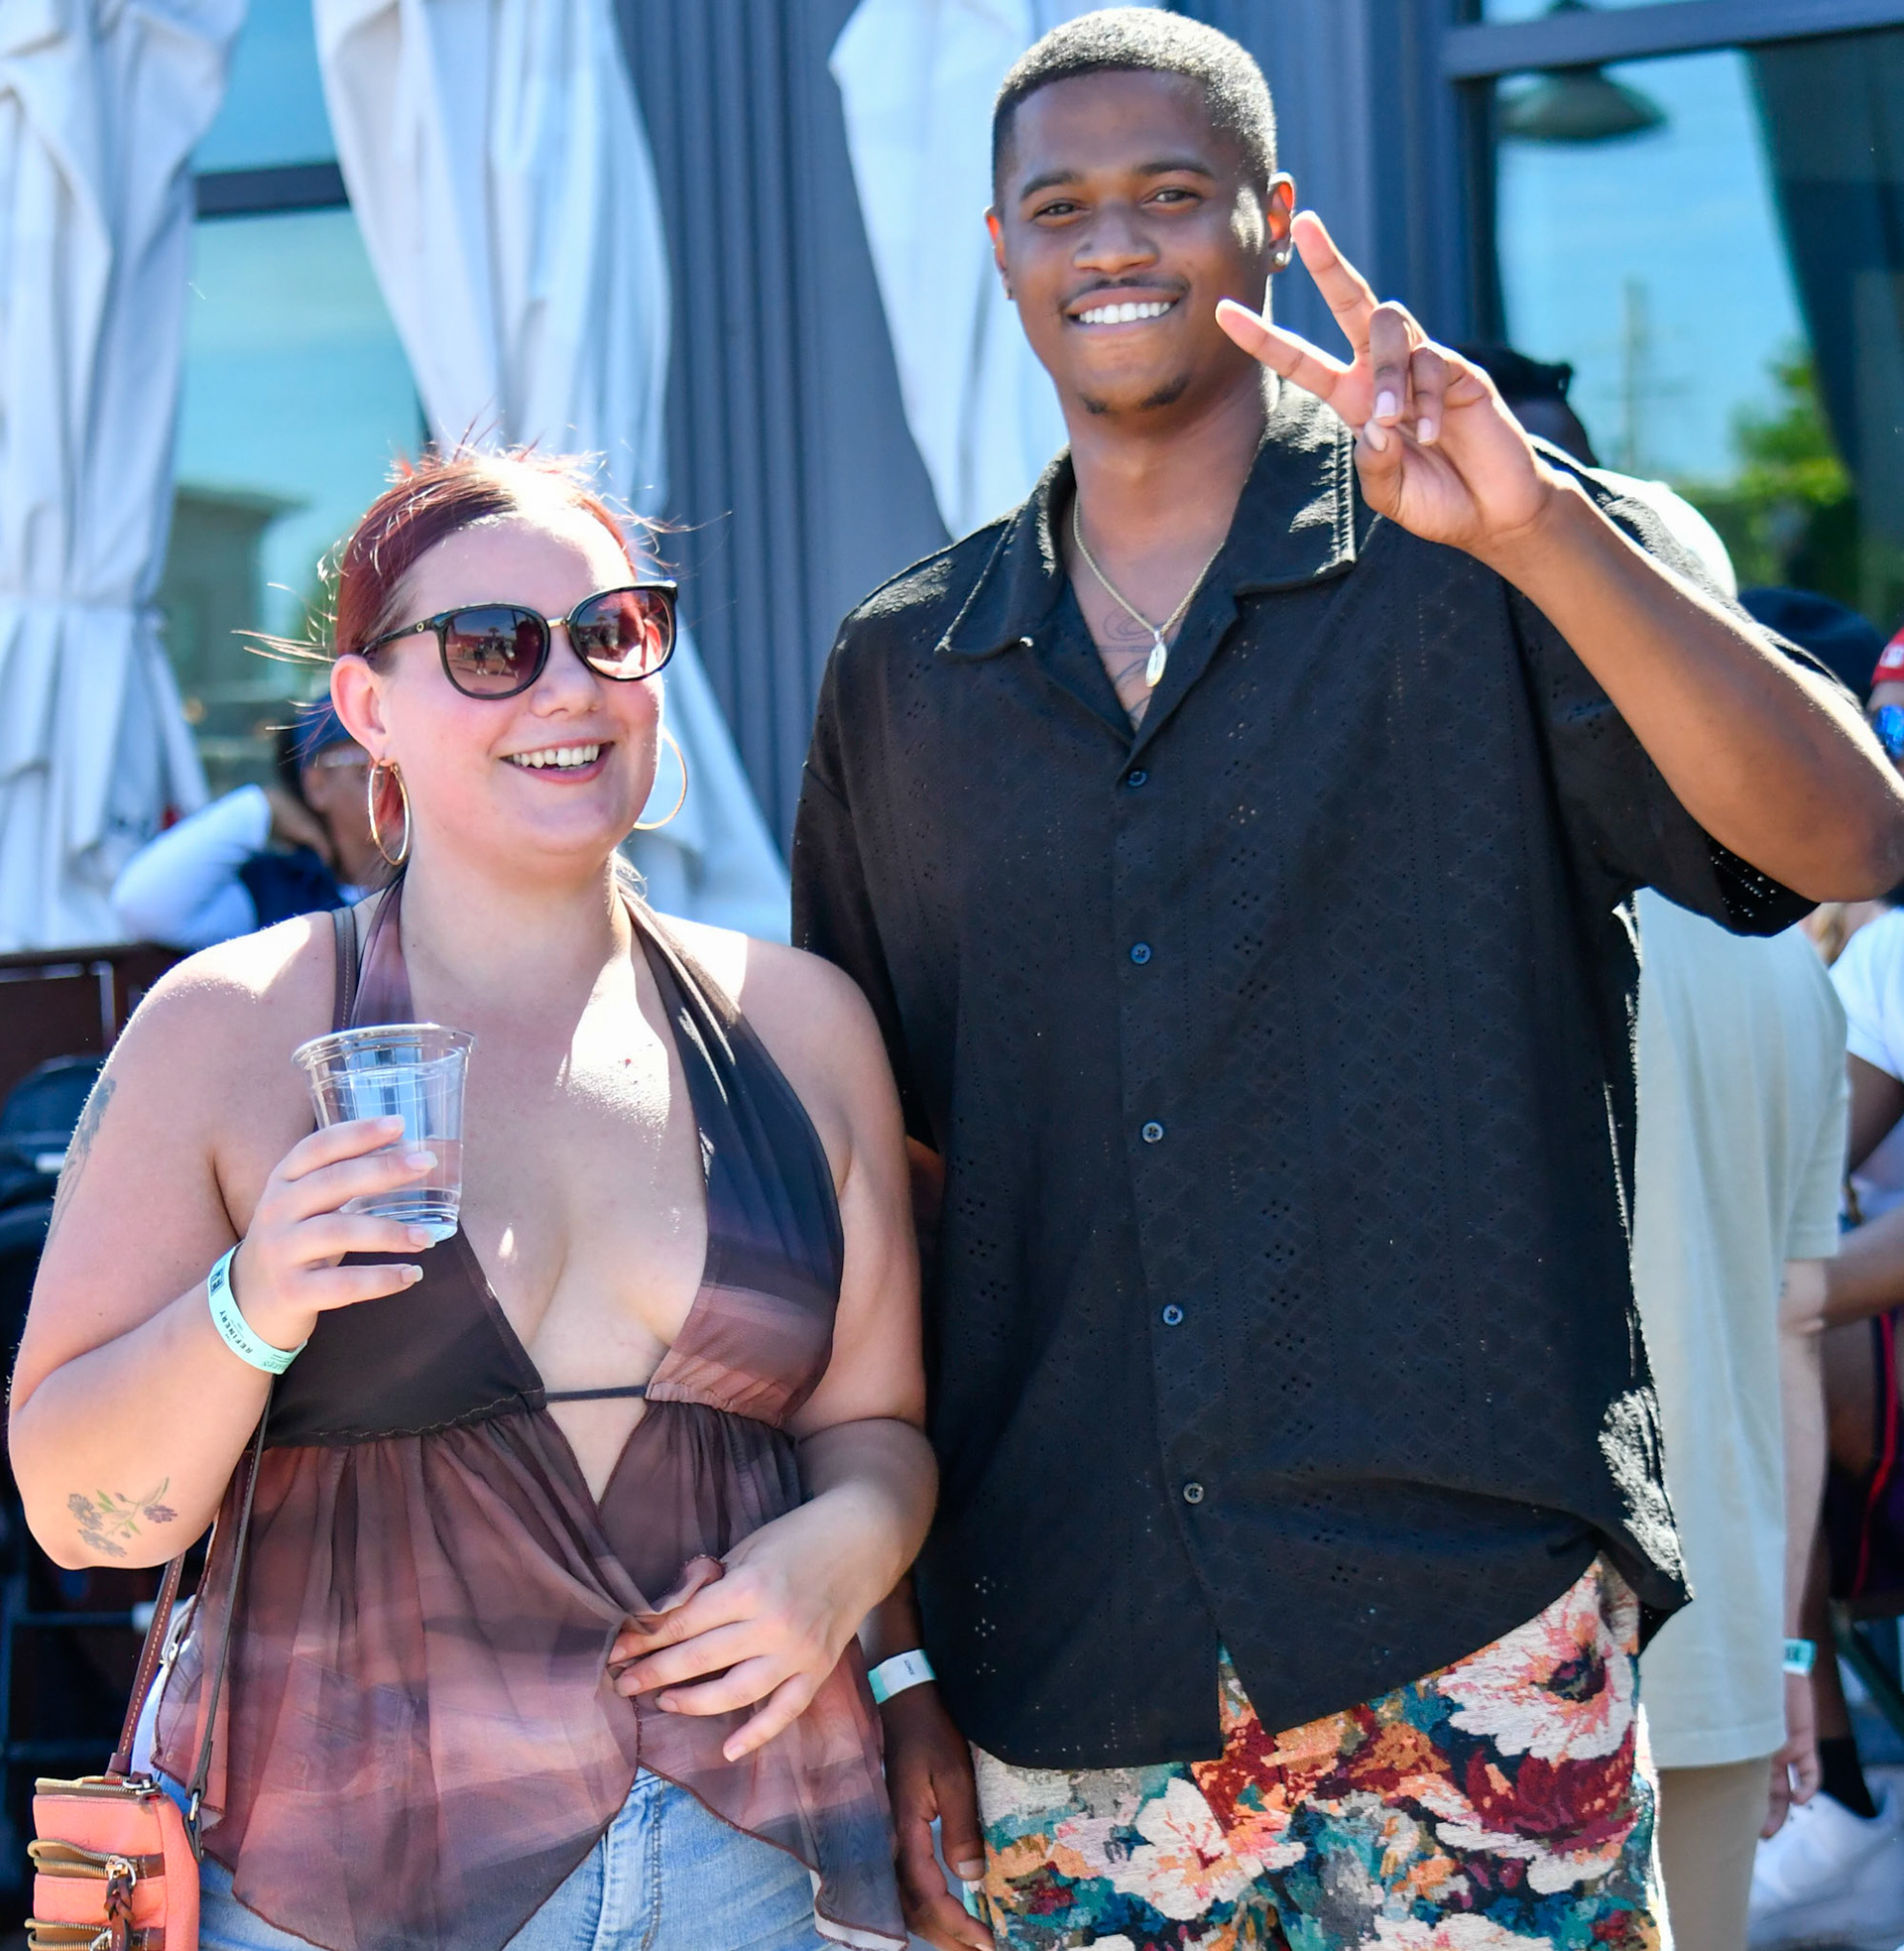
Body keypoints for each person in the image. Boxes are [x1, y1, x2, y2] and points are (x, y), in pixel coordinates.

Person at [788, 13, 1904, 1949]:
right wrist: (895, 1664)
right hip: (1068, 1659)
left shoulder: (1478, 558)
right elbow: (881, 1198)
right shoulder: (906, 672)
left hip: (1465, 1630)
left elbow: (1849, 840)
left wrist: (1546, 527)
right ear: (1001, 249)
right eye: (1061, 206)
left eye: (1170, 192)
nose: (1112, 242)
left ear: (1269, 216)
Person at [10, 448, 935, 1951]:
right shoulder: (229, 1029)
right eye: (493, 645)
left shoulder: (800, 1024)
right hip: (347, 1884)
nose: (568, 687)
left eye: (615, 633)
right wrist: (253, 1302)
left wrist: (845, 1552)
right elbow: (78, 1509)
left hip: (757, 1864)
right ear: (367, 706)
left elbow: (877, 1424)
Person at [1625, 890, 1845, 1951]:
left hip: (1477, 1646)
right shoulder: (1791, 964)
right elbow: (1794, 1327)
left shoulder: (1467, 891)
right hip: (1720, 1640)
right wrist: (1783, 1651)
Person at [111, 701, 388, 948]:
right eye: (369, 771)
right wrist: (262, 809)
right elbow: (141, 905)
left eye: (401, 768)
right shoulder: (280, 890)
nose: (395, 790)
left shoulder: (413, 884)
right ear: (317, 786)